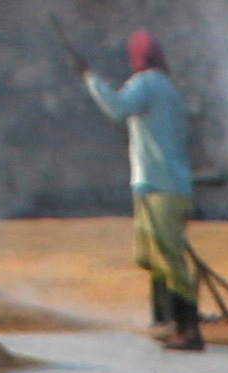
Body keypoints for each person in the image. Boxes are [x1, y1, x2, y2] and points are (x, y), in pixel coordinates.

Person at [75, 29, 203, 353]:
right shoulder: (169, 90)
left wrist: (91, 79)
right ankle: (166, 322)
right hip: (172, 187)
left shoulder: (145, 84)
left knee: (168, 261)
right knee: (161, 257)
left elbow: (117, 108)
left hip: (158, 187)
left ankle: (187, 330)